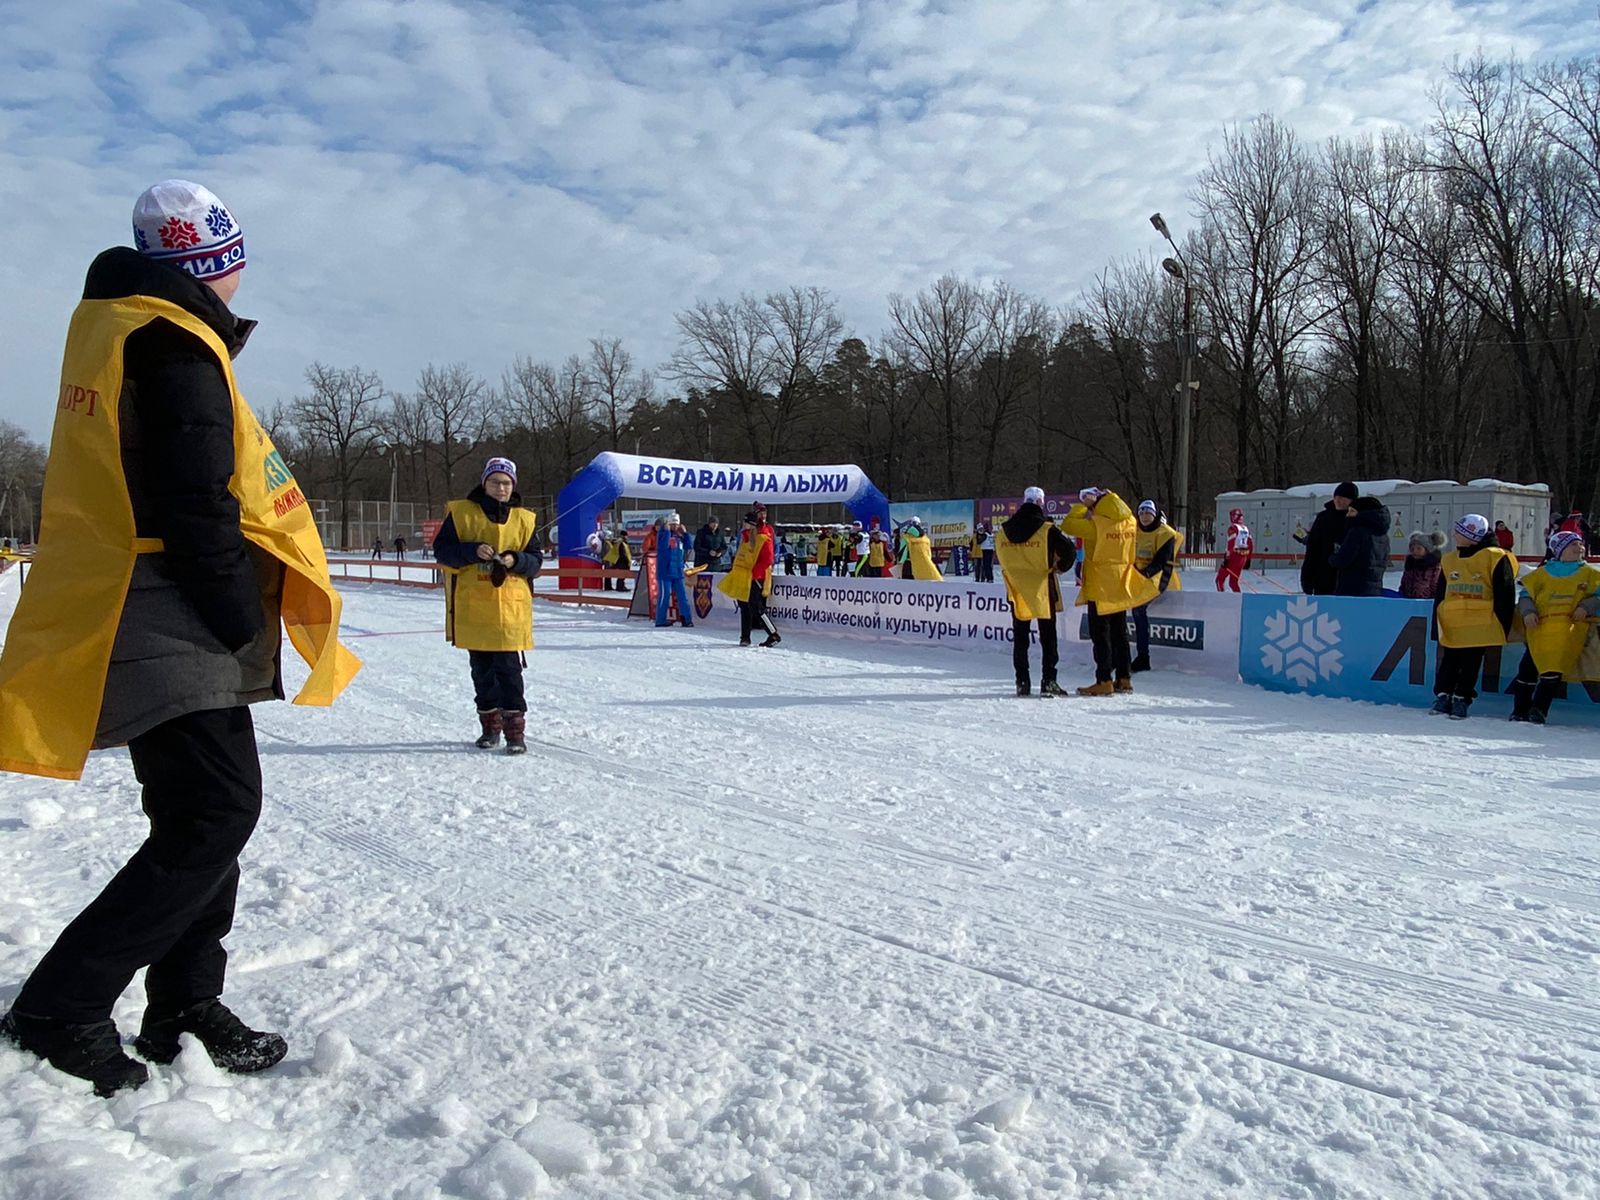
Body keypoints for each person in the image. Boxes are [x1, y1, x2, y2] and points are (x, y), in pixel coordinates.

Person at [0, 179, 359, 1096]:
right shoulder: (170, 343)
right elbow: (195, 500)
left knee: (201, 814)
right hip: (169, 601)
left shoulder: (123, 325)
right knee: (215, 813)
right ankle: (62, 1006)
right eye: (232, 255)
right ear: (210, 263)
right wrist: (239, 614)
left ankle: (184, 1006)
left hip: (147, 593)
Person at [433, 457, 543, 753]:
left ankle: (515, 733)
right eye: (495, 482)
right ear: (485, 483)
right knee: (482, 671)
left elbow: (535, 561)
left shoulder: (524, 519)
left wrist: (515, 559)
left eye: (506, 483)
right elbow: (442, 552)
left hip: (510, 610)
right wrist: (471, 551)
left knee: (509, 670)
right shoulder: (461, 514)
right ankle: (489, 727)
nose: (501, 488)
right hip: (474, 608)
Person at [1060, 487, 1160, 695]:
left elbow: (1068, 525)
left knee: (1101, 635)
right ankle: (1124, 678)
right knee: (1120, 634)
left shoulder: (1096, 524)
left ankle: (1104, 679)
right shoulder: (1131, 521)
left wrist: (1083, 506)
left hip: (1100, 585)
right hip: (1122, 584)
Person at [1431, 513, 1517, 720]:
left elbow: (1505, 591)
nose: (1455, 535)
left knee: (1471, 661)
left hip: (1480, 621)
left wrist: (1503, 624)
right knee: (1449, 660)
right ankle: (1443, 695)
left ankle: (1462, 698)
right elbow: (1441, 593)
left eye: (1460, 532)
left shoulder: (1495, 556)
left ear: (1473, 536)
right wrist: (1437, 625)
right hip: (1454, 619)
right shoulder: (1450, 559)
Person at [1509, 531, 1600, 723]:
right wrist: (1528, 612)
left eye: (1580, 544)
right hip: (1540, 631)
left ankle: (1539, 710)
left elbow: (1598, 596)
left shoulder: (1591, 574)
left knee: (1553, 670)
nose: (1579, 548)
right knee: (1528, 669)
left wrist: (1587, 606)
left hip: (1568, 631)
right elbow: (1526, 596)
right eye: (1573, 545)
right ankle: (1520, 709)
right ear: (1559, 550)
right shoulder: (1541, 574)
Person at [994, 486, 1076, 697]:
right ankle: (1049, 681)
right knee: (1048, 637)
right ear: (1040, 502)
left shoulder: (1004, 530)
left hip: (1017, 589)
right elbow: (1069, 550)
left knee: (1020, 638)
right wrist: (1059, 567)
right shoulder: (1047, 529)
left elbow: (1000, 557)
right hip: (1042, 588)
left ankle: (1022, 681)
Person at [1130, 500, 1183, 673]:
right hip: (1137, 576)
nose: (1145, 517)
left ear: (1155, 515)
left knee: (1138, 609)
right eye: (1142, 513)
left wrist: (1144, 574)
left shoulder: (1166, 533)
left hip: (1157, 577)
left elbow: (1161, 562)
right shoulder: (1134, 531)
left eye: (1148, 514)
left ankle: (1143, 657)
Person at [718, 510, 780, 646]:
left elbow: (767, 560)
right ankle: (745, 637)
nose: (743, 524)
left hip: (755, 578)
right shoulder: (745, 537)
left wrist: (755, 574)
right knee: (744, 606)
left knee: (756, 607)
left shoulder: (763, 538)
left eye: (745, 522)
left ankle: (773, 634)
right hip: (743, 576)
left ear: (751, 524)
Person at [1300, 481, 1356, 594]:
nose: (1338, 500)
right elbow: (1312, 550)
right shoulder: (1324, 518)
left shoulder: (1356, 519)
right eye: (1336, 497)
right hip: (1323, 578)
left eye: (1342, 497)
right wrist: (1307, 578)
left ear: (1351, 500)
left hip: (1349, 580)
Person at [654, 512, 694, 627]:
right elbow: (662, 547)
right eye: (672, 524)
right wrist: (666, 531)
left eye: (676, 524)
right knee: (664, 596)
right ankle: (660, 620)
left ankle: (687, 619)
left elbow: (689, 546)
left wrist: (686, 534)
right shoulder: (662, 534)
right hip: (665, 572)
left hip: (677, 572)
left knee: (683, 597)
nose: (674, 527)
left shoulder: (679, 536)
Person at [1398, 530, 1446, 600]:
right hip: (1408, 601)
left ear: (1427, 550)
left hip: (1427, 603)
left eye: (1419, 548)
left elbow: (1437, 586)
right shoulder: (1410, 564)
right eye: (1412, 548)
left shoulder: (1435, 566)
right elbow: (1404, 583)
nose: (1415, 551)